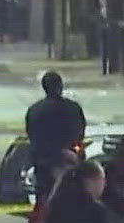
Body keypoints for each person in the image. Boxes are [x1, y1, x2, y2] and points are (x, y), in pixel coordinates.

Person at [24, 71, 86, 203]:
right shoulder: (73, 108)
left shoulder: (34, 111)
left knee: (45, 201)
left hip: (44, 165)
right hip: (70, 162)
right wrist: (72, 151)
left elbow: (33, 138)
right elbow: (80, 134)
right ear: (61, 86)